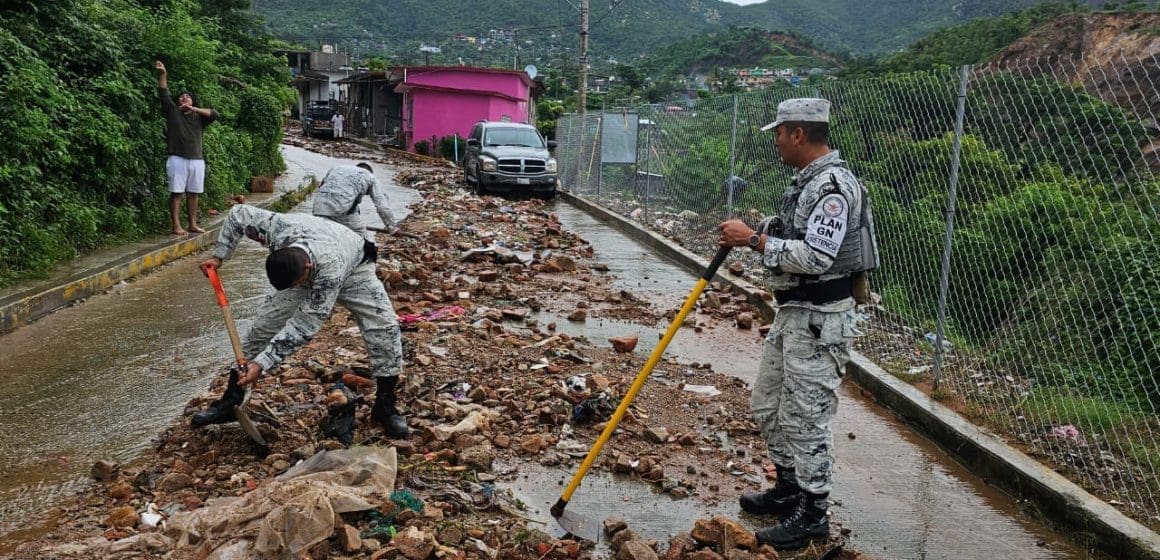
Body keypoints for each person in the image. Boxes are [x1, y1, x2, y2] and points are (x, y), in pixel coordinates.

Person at [718, 98, 879, 550]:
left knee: (807, 418)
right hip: (795, 313)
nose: (776, 141)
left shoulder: (831, 186)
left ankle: (812, 512)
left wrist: (753, 240)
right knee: (768, 404)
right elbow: (796, 234)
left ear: (798, 133)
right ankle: (789, 486)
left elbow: (816, 256)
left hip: (821, 318)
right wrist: (765, 230)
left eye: (779, 133)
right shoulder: (805, 183)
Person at [192, 204, 410, 438]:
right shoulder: (277, 230)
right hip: (309, 256)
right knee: (262, 329)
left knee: (385, 326)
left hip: (354, 267)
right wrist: (219, 256)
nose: (298, 289)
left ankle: (385, 406)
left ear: (306, 269)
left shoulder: (329, 269)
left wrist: (263, 364)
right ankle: (231, 400)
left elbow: (304, 325)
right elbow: (237, 214)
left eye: (297, 284)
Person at [155, 60, 218, 235]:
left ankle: (192, 224)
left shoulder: (199, 117)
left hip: (197, 160)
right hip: (177, 158)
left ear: (193, 101)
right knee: (176, 193)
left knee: (193, 193)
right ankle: (176, 225)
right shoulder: (173, 111)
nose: (183, 97)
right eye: (181, 96)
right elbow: (163, 93)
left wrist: (194, 108)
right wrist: (163, 75)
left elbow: (214, 114)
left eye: (187, 96)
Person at [312, 162, 400, 244]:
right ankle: (366, 257)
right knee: (364, 242)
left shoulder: (337, 168)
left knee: (320, 238)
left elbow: (322, 185)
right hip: (340, 210)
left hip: (318, 206)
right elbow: (382, 206)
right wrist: (393, 228)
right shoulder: (371, 177)